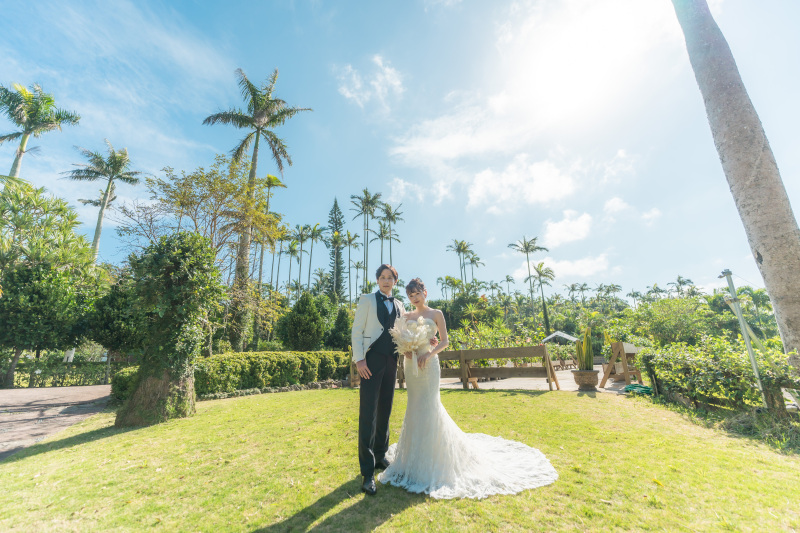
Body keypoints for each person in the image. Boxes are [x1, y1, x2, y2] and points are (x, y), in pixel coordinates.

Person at [378, 278, 558, 499]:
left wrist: (428, 353)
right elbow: (400, 338)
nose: (414, 297)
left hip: (429, 364)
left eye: (417, 293)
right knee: (414, 406)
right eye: (410, 295)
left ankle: (436, 457)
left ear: (425, 292)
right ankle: (413, 459)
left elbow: (444, 341)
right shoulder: (406, 316)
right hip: (411, 364)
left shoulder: (437, 314)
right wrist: (406, 351)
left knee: (430, 405)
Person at [351, 264, 406, 496]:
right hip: (371, 361)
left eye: (390, 278)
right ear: (377, 280)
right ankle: (367, 473)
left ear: (395, 281)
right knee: (368, 413)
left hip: (391, 361)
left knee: (386, 408)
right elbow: (357, 330)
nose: (386, 281)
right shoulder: (367, 300)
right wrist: (360, 360)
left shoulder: (400, 305)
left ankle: (381, 455)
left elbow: (404, 332)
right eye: (382, 277)